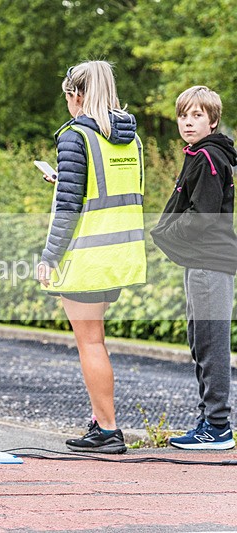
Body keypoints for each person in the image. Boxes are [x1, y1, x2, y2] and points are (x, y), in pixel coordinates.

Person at [38, 60, 146, 454]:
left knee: (91, 343)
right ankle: (102, 421)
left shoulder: (74, 136)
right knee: (97, 340)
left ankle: (108, 428)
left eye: (67, 97)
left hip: (87, 254)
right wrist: (63, 178)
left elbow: (68, 208)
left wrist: (50, 256)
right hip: (122, 252)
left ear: (75, 95)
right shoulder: (130, 138)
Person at [151, 86, 237, 450]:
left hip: (210, 263)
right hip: (200, 263)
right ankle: (208, 420)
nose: (188, 121)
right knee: (199, 340)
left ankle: (217, 426)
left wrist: (168, 230)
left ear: (213, 120)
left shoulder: (208, 158)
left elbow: (202, 215)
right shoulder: (200, 155)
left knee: (211, 343)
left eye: (197, 115)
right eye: (184, 115)